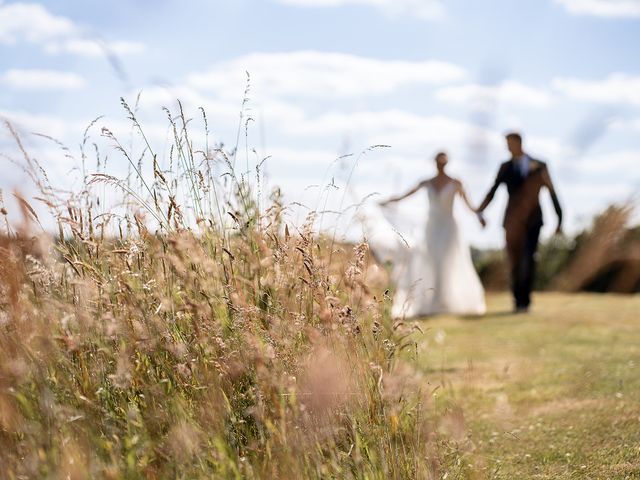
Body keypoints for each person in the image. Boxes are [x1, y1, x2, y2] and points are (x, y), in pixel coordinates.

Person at [369, 151, 486, 318]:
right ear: (435, 163)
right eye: (438, 162)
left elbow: (469, 204)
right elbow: (405, 196)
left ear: (446, 163)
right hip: (431, 228)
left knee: (447, 262)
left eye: (443, 162)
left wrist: (478, 215)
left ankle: (444, 300)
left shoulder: (456, 182)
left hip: (449, 228)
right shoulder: (426, 182)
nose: (440, 165)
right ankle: (432, 300)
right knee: (430, 262)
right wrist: (388, 202)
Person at [477, 132, 563, 313]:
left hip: (534, 220)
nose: (508, 147)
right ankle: (517, 300)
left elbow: (552, 192)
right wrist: (480, 210)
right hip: (512, 221)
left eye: (510, 143)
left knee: (529, 258)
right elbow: (492, 191)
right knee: (514, 260)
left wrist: (559, 218)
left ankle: (526, 301)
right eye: (506, 144)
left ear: (519, 143)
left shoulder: (540, 165)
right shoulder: (505, 167)